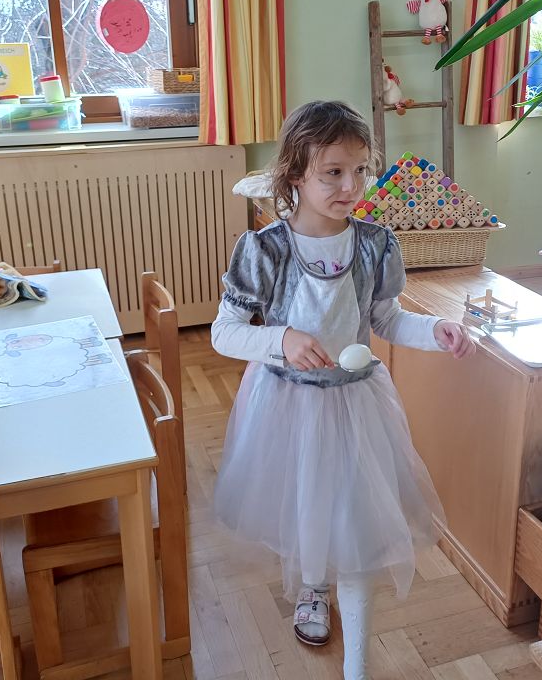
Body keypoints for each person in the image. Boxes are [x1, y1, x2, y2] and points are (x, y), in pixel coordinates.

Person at [211, 101, 475, 678]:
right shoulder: (266, 250)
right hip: (287, 403)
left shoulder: (376, 244)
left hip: (357, 403)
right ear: (295, 174)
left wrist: (436, 330)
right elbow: (224, 334)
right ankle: (312, 585)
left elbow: (386, 320)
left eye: (360, 170)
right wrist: (280, 339)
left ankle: (357, 666)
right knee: (308, 505)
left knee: (355, 528)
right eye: (333, 172)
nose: (351, 186)